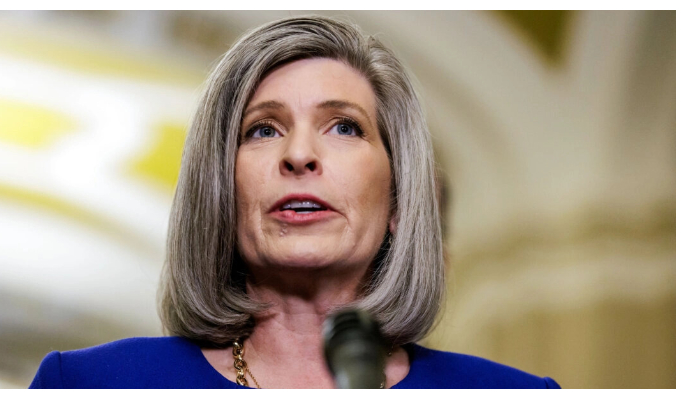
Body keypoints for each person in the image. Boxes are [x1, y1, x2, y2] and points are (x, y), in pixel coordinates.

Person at [29, 15, 560, 389]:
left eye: (345, 127)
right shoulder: (87, 383)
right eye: (263, 130)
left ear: (399, 200)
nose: (300, 154)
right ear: (220, 192)